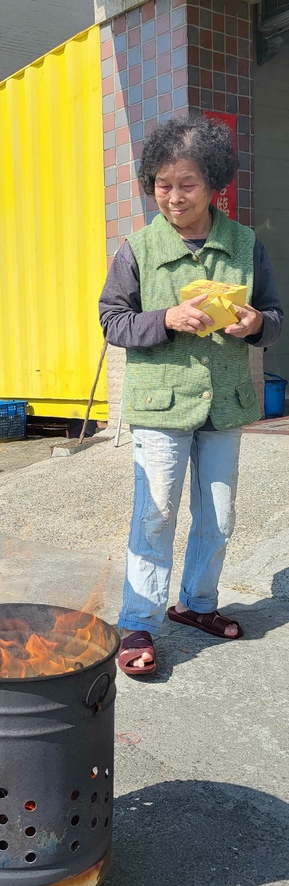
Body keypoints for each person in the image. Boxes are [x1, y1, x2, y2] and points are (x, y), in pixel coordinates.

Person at [99, 115, 283, 677]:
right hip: (161, 406)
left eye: (187, 185)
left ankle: (197, 604)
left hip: (223, 402)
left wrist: (254, 323)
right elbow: (112, 321)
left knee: (219, 514)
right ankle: (138, 620)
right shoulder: (137, 249)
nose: (173, 197)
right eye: (161, 184)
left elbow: (275, 317)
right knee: (154, 515)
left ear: (214, 187)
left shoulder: (244, 245)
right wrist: (166, 318)